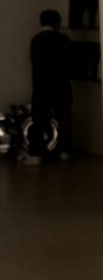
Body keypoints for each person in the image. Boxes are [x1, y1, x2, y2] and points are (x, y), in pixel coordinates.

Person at [18, 9, 72, 166]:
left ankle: (36, 154)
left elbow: (35, 63)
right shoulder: (63, 39)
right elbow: (69, 62)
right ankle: (64, 151)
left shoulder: (36, 40)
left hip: (42, 85)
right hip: (62, 84)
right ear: (57, 23)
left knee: (39, 119)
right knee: (64, 117)